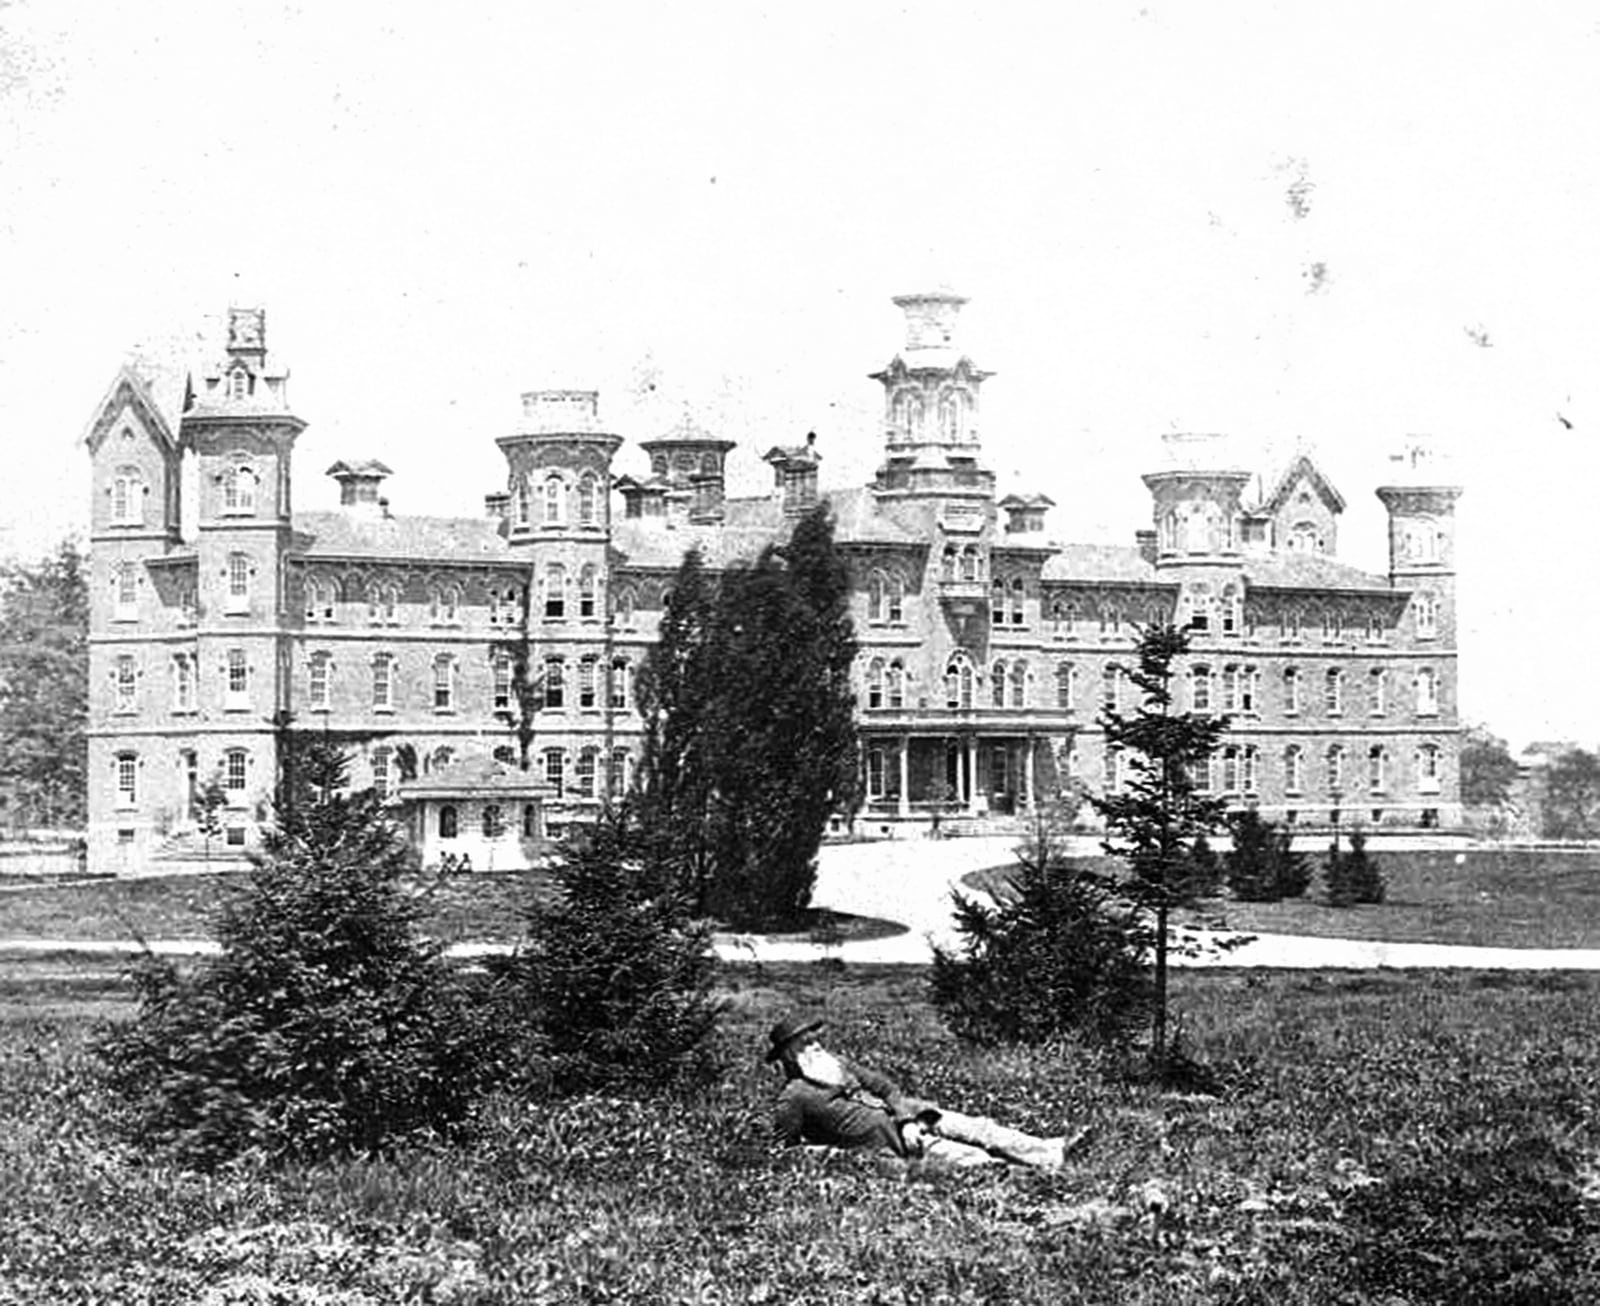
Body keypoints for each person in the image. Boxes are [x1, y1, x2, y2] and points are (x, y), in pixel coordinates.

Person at [765, 1013, 1090, 1170]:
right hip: (890, 1145)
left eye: (816, 1037)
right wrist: (840, 1154)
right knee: (973, 1159)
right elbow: (786, 1150)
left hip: (911, 1118)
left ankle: (1052, 1151)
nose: (817, 1045)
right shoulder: (793, 1097)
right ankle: (1032, 1176)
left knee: (979, 1128)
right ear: (790, 1054)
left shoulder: (838, 1062)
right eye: (806, 1042)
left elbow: (885, 1087)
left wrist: (906, 1120)